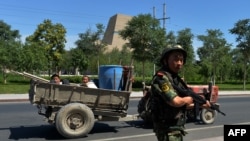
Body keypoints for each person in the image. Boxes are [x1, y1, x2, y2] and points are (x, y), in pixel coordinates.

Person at [150, 45, 211, 141]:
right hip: (167, 129)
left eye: (181, 60)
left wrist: (200, 105)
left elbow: (182, 105)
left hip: (174, 128)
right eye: (176, 59)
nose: (179, 63)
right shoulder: (161, 78)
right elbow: (175, 102)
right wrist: (187, 99)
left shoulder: (175, 79)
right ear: (165, 60)